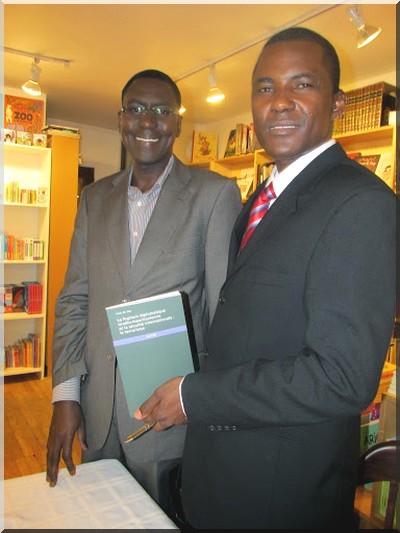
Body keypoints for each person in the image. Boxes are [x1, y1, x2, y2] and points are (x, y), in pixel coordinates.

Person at [133, 28, 397, 529]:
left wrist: (194, 396)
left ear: (337, 103)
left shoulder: (360, 203)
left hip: (280, 494)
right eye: (265, 87)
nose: (279, 101)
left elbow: (341, 378)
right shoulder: (260, 198)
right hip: (223, 474)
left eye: (302, 84)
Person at [45, 69, 243, 521]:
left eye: (160, 110)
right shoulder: (94, 199)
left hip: (169, 419)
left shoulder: (214, 195)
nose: (147, 121)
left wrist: (200, 400)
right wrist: (65, 395)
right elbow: (75, 301)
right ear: (120, 119)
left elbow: (224, 315)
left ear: (178, 122)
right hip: (97, 413)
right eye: (135, 108)